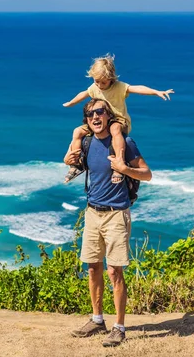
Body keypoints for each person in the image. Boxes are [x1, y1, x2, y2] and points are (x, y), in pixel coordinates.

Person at [63, 98, 152, 347]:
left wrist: (124, 168)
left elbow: (147, 174)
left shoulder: (125, 143)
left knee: (114, 271)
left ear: (109, 115)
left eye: (100, 112)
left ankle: (119, 327)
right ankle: (97, 319)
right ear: (87, 119)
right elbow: (73, 162)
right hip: (92, 212)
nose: (95, 117)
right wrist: (70, 156)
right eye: (90, 113)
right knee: (93, 267)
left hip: (116, 214)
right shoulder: (89, 142)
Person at [63, 53, 172, 184]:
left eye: (103, 82)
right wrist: (71, 103)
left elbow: (137, 88)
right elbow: (83, 94)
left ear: (111, 78)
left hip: (119, 121)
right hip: (101, 122)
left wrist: (156, 92)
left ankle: (119, 164)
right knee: (77, 131)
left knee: (114, 129)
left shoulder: (119, 87)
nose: (99, 85)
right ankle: (76, 164)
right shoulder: (94, 87)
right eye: (96, 81)